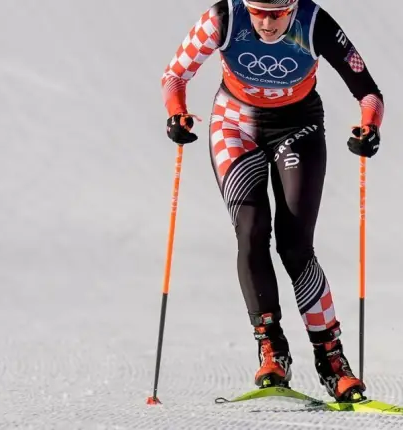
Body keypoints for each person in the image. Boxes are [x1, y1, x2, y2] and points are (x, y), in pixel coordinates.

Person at [160, 0, 383, 402]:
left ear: (293, 7)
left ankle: (332, 360)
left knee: (296, 246)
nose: (266, 22)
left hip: (298, 127)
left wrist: (370, 126)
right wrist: (176, 113)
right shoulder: (224, 18)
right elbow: (175, 75)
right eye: (258, 11)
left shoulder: (315, 23)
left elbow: (368, 91)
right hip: (234, 124)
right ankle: (272, 350)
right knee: (251, 229)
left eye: (277, 13)